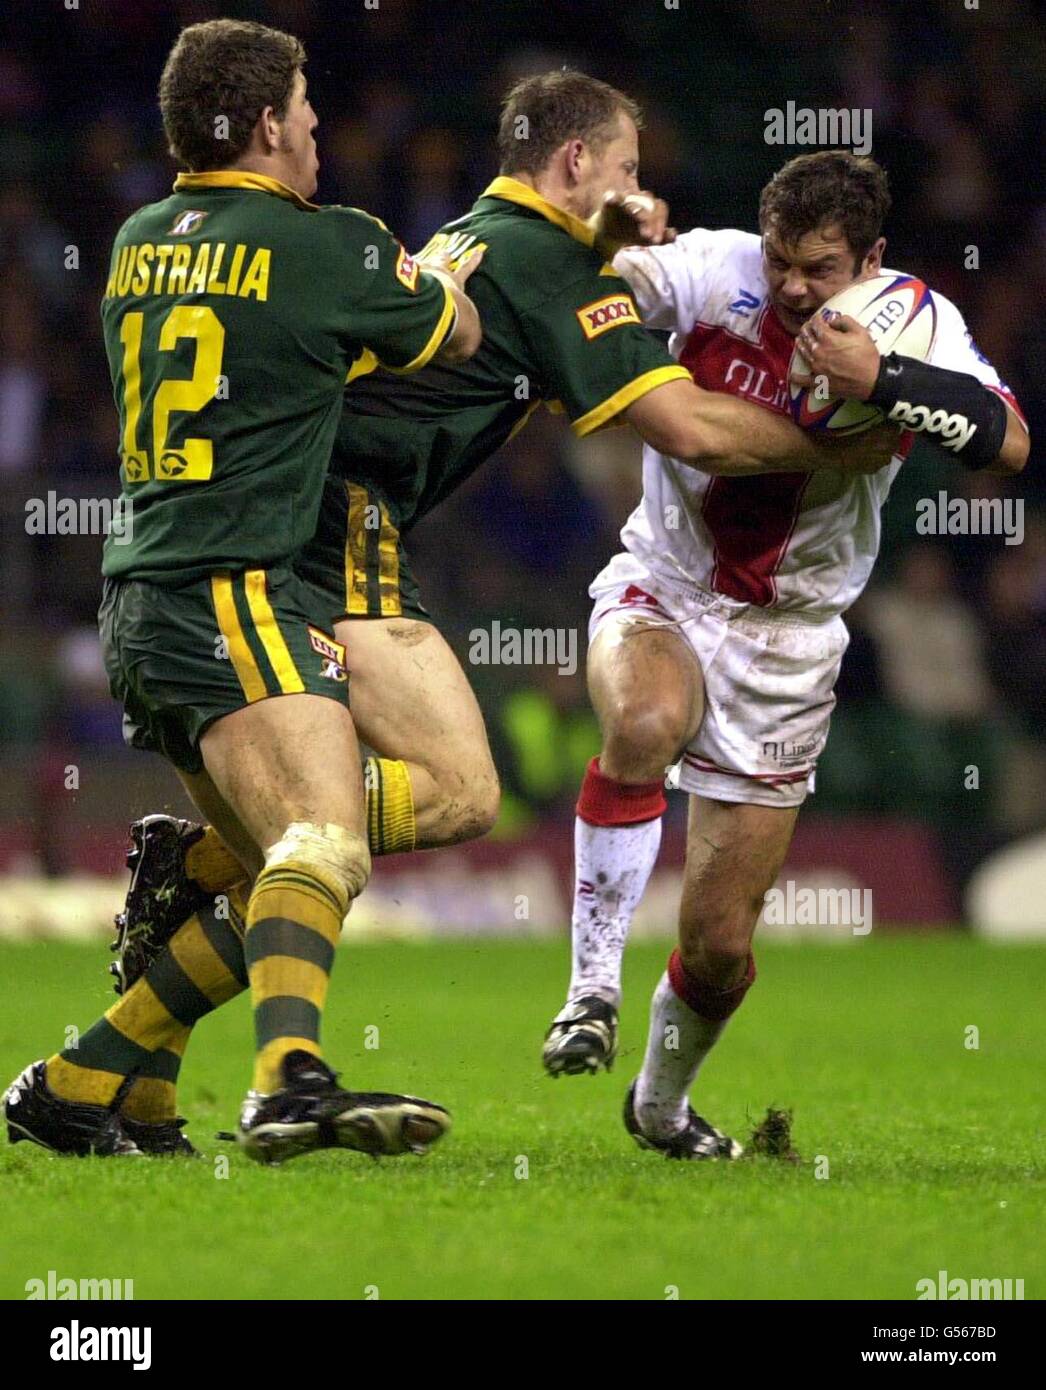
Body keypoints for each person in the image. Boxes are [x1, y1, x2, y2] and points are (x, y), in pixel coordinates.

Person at [79, 73, 898, 1150]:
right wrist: (849, 447)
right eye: (623, 171)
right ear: (573, 166)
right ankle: (231, 965)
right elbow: (693, 433)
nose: (637, 194)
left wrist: (610, 224)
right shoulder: (553, 269)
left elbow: (531, 279)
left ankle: (107, 1064)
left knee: (324, 831)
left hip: (298, 512)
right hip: (338, 530)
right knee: (446, 798)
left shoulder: (477, 227)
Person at [4, 18, 481, 1165]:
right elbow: (455, 332)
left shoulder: (135, 239)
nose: (319, 135)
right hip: (233, 593)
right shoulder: (330, 246)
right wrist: (426, 269)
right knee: (320, 843)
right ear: (267, 123)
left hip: (140, 601)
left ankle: (79, 1081)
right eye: (308, 116)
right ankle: (286, 1079)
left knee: (292, 853)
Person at [541, 150, 1029, 1160]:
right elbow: (587, 280)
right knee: (639, 722)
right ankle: (588, 993)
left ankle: (660, 1107)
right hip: (666, 583)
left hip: (789, 640)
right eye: (783, 262)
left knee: (718, 946)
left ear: (871, 259)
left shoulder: (913, 323)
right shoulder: (714, 271)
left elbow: (1009, 441)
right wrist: (604, 240)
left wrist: (883, 382)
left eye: (819, 267)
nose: (794, 287)